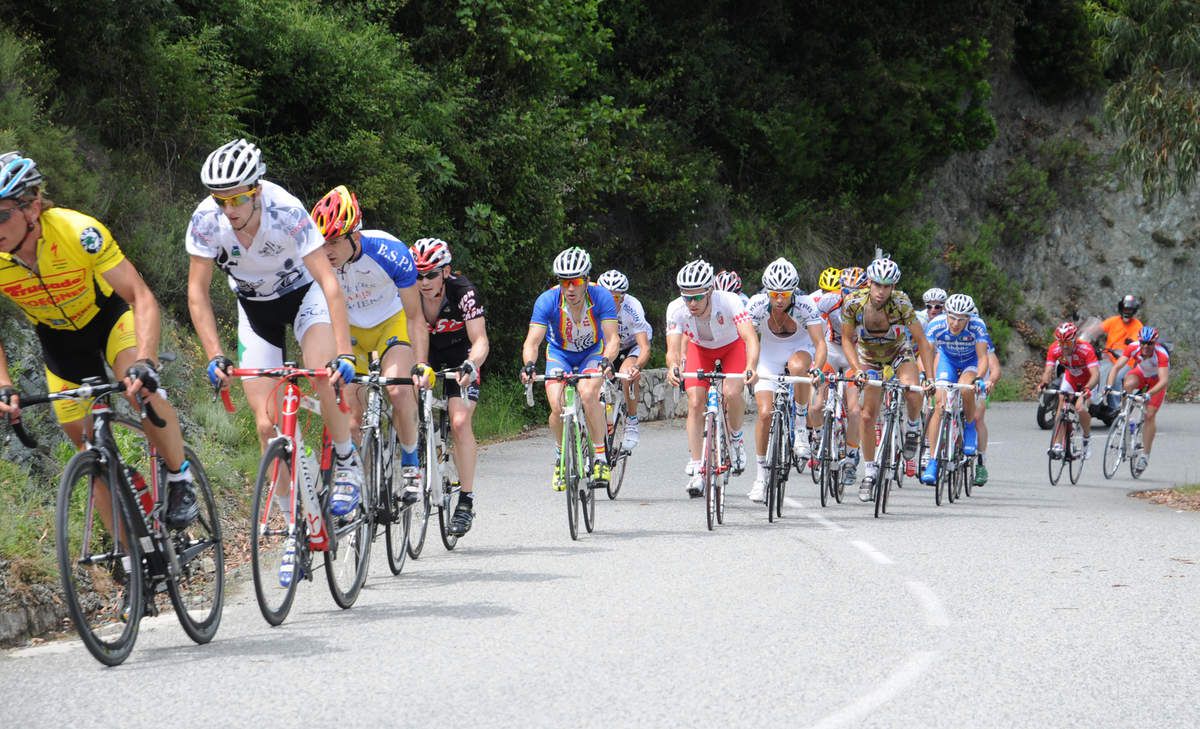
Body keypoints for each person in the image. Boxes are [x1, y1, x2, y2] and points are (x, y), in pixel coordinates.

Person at [0, 151, 198, 529]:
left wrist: (146, 359)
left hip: (107, 322)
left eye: (1, 214)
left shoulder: (78, 233)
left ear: (33, 207)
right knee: (89, 453)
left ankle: (179, 477)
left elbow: (139, 295)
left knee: (139, 389)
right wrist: (4, 384)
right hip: (58, 343)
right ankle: (130, 564)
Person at [187, 139, 363, 540]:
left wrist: (346, 353)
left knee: (322, 374)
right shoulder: (204, 220)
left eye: (238, 199)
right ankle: (291, 521)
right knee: (267, 425)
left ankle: (347, 458)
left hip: (305, 298)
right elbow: (197, 292)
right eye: (221, 201)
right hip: (254, 309)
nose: (229, 210)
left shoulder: (286, 210)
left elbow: (328, 283)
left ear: (257, 190)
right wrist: (215, 355)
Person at [310, 185, 430, 504]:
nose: (327, 251)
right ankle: (357, 484)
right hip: (348, 332)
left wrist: (420, 364)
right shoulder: (318, 261)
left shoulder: (390, 252)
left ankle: (410, 464)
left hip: (389, 325)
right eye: (321, 243)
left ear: (356, 237)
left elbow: (415, 316)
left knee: (398, 390)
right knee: (350, 415)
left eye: (333, 241)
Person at [519, 247, 618, 488]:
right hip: (559, 354)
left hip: (591, 353)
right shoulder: (547, 300)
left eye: (575, 282)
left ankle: (600, 458)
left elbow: (613, 338)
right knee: (557, 405)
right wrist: (529, 366)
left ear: (586, 280)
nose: (570, 288)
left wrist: (607, 359)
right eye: (564, 282)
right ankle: (560, 457)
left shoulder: (602, 297)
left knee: (588, 394)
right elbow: (532, 342)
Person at [411, 237, 490, 535]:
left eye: (431, 274)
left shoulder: (463, 292)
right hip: (426, 352)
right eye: (418, 275)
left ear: (446, 271)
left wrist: (472, 363)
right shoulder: (409, 291)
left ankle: (466, 501)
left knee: (459, 421)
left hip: (460, 355)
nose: (424, 281)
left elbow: (480, 339)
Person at [841, 258, 935, 501]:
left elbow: (922, 342)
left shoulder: (901, 303)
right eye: (878, 285)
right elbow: (846, 340)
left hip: (898, 354)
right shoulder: (854, 303)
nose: (882, 291)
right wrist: (856, 369)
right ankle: (870, 472)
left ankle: (913, 426)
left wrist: (931, 379)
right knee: (866, 414)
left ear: (893, 287)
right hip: (868, 357)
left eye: (887, 286)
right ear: (869, 283)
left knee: (913, 390)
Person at [665, 259, 760, 496]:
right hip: (700, 350)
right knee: (696, 402)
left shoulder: (729, 301)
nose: (692, 303)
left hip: (731, 348)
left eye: (697, 297)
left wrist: (750, 366)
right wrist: (674, 366)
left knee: (731, 391)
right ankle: (698, 468)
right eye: (687, 297)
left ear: (709, 291)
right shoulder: (676, 308)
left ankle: (736, 438)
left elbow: (749, 337)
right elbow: (673, 349)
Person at [745, 258, 826, 502]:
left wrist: (818, 368)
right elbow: (748, 339)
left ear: (794, 291)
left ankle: (800, 425)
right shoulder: (757, 304)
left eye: (785, 293)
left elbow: (820, 343)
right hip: (768, 356)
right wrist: (749, 367)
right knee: (764, 413)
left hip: (799, 350)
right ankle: (760, 476)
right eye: (775, 293)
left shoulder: (805, 304)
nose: (779, 299)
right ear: (766, 291)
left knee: (798, 366)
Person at [920, 294, 990, 485]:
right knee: (940, 405)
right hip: (947, 361)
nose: (955, 323)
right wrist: (925, 376)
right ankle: (933, 461)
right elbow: (925, 352)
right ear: (946, 313)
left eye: (961, 319)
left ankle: (969, 428)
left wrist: (978, 378)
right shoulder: (936, 325)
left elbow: (983, 357)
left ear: (969, 318)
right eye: (952, 317)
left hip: (970, 362)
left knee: (967, 389)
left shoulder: (978, 326)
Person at [809, 266, 866, 488]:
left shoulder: (871, 307)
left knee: (853, 410)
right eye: (845, 291)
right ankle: (818, 437)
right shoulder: (828, 302)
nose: (849, 296)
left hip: (857, 353)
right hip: (833, 350)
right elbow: (813, 327)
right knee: (816, 407)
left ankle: (851, 457)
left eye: (855, 291)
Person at [596, 269, 652, 452]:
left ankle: (632, 421)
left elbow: (644, 347)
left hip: (630, 346)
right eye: (607, 297)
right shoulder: (591, 305)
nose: (612, 302)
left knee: (627, 376)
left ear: (623, 297)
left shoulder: (632, 307)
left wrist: (636, 367)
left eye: (616, 298)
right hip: (606, 348)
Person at [1105, 326, 1169, 476]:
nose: (1146, 347)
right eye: (1143, 343)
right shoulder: (1132, 347)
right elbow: (1116, 368)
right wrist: (1108, 386)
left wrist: (1149, 394)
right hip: (1141, 373)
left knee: (1149, 415)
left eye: (1150, 344)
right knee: (1127, 384)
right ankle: (1124, 415)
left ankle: (1145, 456)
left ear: (1155, 343)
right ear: (1139, 342)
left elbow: (1164, 380)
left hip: (1157, 381)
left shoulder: (1161, 354)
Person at [1036, 321, 1099, 460]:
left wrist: (1087, 389)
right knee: (1061, 403)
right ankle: (1057, 444)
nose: (1064, 346)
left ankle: (1086, 438)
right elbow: (1048, 370)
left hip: (1088, 381)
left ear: (1074, 340)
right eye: (1061, 342)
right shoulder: (1055, 349)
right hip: (1070, 379)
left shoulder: (1086, 349)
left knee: (1080, 408)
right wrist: (1043, 383)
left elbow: (1095, 374)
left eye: (1067, 343)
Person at [1093, 295, 1143, 412]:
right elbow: (1098, 328)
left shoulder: (1137, 325)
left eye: (1130, 310)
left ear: (1134, 311)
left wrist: (1133, 342)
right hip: (1109, 357)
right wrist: (1084, 336)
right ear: (1121, 308)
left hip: (1126, 360)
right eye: (1125, 309)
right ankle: (1094, 399)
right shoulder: (1113, 321)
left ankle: (1115, 409)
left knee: (1116, 377)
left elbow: (1138, 341)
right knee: (1095, 371)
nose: (1127, 312)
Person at [968, 302, 1000, 486]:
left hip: (979, 381)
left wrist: (991, 381)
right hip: (959, 377)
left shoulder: (983, 338)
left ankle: (981, 462)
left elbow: (994, 367)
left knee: (977, 418)